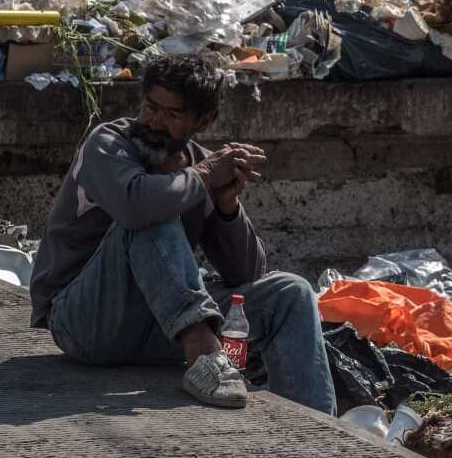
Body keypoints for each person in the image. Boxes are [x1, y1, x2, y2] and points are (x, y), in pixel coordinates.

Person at [28, 54, 336, 413]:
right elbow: (136, 206)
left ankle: (317, 424)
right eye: (149, 107)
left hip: (157, 328)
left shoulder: (198, 164)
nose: (154, 121)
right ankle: (205, 354)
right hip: (84, 323)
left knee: (291, 293)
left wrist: (225, 208)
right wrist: (204, 176)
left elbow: (247, 274)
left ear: (203, 121)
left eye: (172, 115)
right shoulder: (107, 144)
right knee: (150, 213)